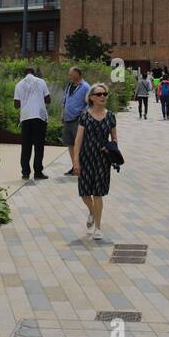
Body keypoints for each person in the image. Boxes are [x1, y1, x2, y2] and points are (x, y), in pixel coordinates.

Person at [73, 84, 118, 239]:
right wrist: (75, 161)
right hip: (86, 158)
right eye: (99, 94)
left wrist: (111, 148)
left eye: (105, 94)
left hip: (102, 160)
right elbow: (78, 140)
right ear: (91, 97)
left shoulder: (111, 116)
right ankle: (92, 211)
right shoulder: (84, 116)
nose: (103, 97)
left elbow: (115, 138)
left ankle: (98, 227)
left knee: (98, 193)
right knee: (85, 193)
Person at [14, 67, 51, 180]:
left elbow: (16, 104)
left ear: (24, 74)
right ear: (34, 73)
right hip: (39, 116)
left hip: (25, 117)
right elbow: (48, 99)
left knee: (26, 145)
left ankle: (25, 173)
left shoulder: (19, 84)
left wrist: (26, 101)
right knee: (39, 146)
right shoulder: (41, 82)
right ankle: (38, 172)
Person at [61, 66, 90, 174]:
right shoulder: (69, 85)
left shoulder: (86, 87)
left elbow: (90, 103)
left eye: (71, 74)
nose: (70, 76)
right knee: (70, 144)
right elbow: (65, 99)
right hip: (67, 119)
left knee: (79, 144)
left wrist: (83, 114)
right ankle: (75, 167)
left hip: (78, 120)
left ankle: (82, 167)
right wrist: (62, 112)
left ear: (78, 74)